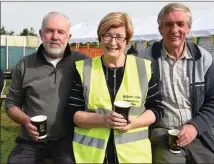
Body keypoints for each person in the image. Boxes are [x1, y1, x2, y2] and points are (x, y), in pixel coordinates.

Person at [66, 12, 164, 163]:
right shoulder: (84, 69)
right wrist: (103, 119)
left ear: (127, 41)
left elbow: (156, 109)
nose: (113, 42)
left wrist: (134, 123)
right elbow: (72, 113)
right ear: (100, 38)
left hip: (133, 156)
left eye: (119, 37)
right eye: (107, 36)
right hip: (92, 156)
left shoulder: (143, 68)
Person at [139, 3, 214, 164]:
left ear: (189, 28)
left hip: (198, 132)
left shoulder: (202, 58)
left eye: (180, 24)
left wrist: (195, 127)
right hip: (162, 133)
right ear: (160, 28)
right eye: (168, 24)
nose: (174, 30)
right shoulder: (144, 60)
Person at [5, 12, 88, 164]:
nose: (55, 36)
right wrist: (25, 121)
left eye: (60, 32)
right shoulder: (24, 65)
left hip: (68, 139)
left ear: (68, 37)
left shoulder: (83, 63)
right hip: (31, 141)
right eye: (49, 31)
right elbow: (11, 103)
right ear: (41, 34)